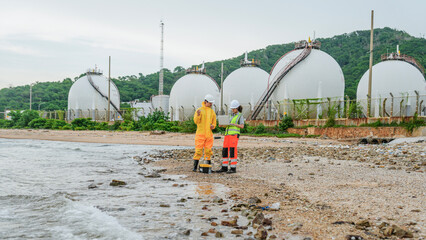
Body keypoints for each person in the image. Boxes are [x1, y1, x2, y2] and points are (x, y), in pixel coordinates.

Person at [218, 99, 244, 173]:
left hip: (234, 135)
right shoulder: (230, 115)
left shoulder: (240, 116)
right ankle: (224, 167)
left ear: (237, 108)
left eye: (234, 108)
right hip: (227, 135)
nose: (232, 110)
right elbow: (227, 126)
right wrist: (222, 125)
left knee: (232, 150)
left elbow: (242, 126)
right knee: (225, 150)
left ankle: (233, 168)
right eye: (232, 109)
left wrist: (235, 124)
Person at [192, 94, 217, 172]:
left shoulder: (212, 112)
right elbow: (196, 121)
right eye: (210, 103)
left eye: (211, 103)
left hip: (209, 135)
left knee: (208, 151)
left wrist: (213, 126)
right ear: (205, 101)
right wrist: (198, 115)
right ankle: (195, 167)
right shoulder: (199, 110)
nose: (211, 104)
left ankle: (207, 166)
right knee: (198, 150)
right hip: (200, 134)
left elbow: (214, 123)